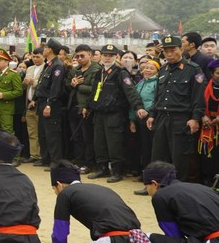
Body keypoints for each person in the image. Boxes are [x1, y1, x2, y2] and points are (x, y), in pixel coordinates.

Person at [146, 35, 206, 182]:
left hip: (180, 118)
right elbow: (158, 95)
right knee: (158, 154)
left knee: (179, 156)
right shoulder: (163, 69)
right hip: (161, 117)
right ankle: (155, 184)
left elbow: (198, 97)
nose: (169, 54)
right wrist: (152, 114)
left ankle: (177, 187)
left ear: (181, 49)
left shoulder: (193, 69)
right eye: (166, 51)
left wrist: (195, 118)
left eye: (173, 50)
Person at [85, 45, 145, 183]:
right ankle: (102, 168)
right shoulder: (99, 72)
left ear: (116, 57)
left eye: (110, 55)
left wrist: (138, 107)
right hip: (99, 112)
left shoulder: (121, 73)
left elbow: (130, 92)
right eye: (105, 55)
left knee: (114, 144)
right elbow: (94, 91)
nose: (107, 57)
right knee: (99, 142)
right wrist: (87, 106)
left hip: (114, 113)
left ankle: (117, 172)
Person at [65, 45, 100, 173]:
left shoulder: (96, 70)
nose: (79, 59)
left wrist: (79, 86)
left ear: (90, 55)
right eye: (77, 56)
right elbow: (67, 85)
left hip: (86, 108)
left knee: (87, 138)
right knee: (77, 137)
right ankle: (79, 161)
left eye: (82, 56)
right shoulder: (76, 70)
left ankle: (88, 163)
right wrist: (72, 84)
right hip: (73, 107)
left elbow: (96, 89)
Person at [33, 38, 66, 167]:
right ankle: (45, 158)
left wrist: (49, 104)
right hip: (41, 102)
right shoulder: (49, 64)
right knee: (42, 133)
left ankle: (55, 161)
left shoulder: (57, 65)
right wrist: (35, 99)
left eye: (45, 47)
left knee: (52, 134)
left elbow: (55, 88)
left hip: (51, 104)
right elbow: (42, 85)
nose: (44, 49)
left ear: (50, 49)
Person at [132, 59, 160, 195]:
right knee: (144, 149)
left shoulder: (158, 83)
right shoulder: (141, 83)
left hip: (151, 119)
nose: (147, 70)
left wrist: (147, 111)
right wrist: (132, 119)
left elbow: (156, 100)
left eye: (151, 68)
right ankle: (145, 176)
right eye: (146, 68)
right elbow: (134, 101)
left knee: (152, 150)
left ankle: (151, 180)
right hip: (140, 119)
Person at [0, 48, 22, 134]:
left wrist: (3, 95)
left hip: (6, 108)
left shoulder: (13, 75)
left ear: (7, 62)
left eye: (0, 60)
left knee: (7, 132)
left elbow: (19, 91)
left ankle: (10, 148)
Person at [198, 59, 219, 185]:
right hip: (207, 124)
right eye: (218, 73)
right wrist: (203, 116)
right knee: (207, 154)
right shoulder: (205, 87)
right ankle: (208, 179)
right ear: (212, 74)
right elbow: (198, 102)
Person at [22, 48, 45, 163]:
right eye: (33, 57)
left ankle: (42, 155)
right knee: (32, 131)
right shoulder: (30, 68)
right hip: (29, 103)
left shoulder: (46, 68)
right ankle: (34, 154)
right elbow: (24, 86)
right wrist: (25, 83)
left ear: (43, 56)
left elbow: (44, 85)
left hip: (40, 103)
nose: (35, 59)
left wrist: (33, 82)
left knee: (41, 131)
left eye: (38, 57)